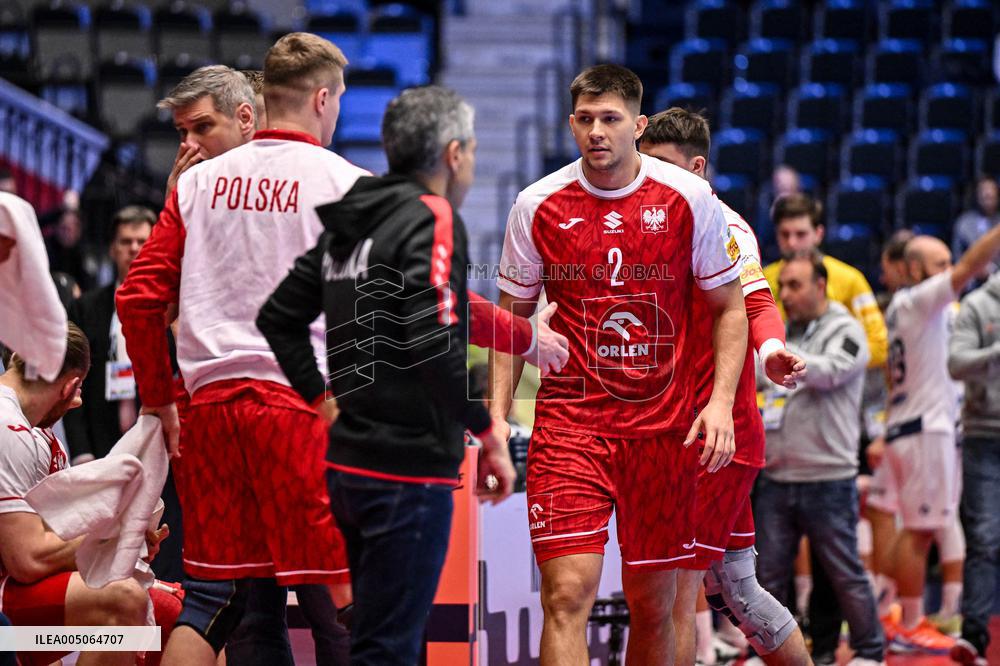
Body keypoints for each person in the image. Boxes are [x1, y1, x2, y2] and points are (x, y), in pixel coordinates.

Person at [489, 64, 749, 665]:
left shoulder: (689, 198)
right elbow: (509, 318)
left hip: (661, 435)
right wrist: (495, 418)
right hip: (570, 429)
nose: (596, 132)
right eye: (585, 120)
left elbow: (729, 309)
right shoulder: (538, 204)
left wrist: (719, 404)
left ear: (640, 123)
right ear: (571, 124)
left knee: (654, 606)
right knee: (566, 595)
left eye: (610, 119)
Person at [258, 84, 517, 666]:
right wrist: (487, 429)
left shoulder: (354, 217)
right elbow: (431, 338)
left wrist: (323, 398)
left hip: (347, 468)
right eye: (471, 151)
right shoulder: (432, 214)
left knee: (372, 643)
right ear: (454, 154)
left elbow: (278, 318)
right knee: (389, 650)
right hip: (405, 472)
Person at [637, 108, 810, 666]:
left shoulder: (725, 226)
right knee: (734, 591)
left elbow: (757, 302)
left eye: (664, 167)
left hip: (716, 439)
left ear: (698, 167)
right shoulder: (644, 225)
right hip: (674, 435)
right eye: (646, 165)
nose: (653, 178)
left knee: (680, 593)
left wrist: (771, 349)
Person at [0, 323, 175, 666]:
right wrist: (117, 538)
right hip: (7, 630)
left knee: (181, 617)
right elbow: (29, 560)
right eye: (79, 390)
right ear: (70, 387)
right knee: (125, 603)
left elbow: (52, 546)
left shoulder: (36, 436)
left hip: (17, 621)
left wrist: (125, 546)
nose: (79, 401)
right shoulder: (9, 429)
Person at [866, 224, 1000, 654]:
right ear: (913, 270)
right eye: (938, 264)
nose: (949, 271)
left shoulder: (912, 308)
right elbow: (969, 267)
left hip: (910, 427)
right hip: (927, 429)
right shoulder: (920, 300)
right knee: (921, 531)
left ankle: (891, 614)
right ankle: (908, 622)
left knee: (919, 527)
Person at [756, 250, 885, 665]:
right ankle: (768, 652)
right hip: (777, 474)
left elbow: (833, 370)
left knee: (845, 574)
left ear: (821, 286)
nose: (785, 294)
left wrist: (781, 360)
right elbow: (757, 373)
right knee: (768, 578)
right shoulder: (781, 331)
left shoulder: (847, 328)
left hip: (829, 476)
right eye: (783, 286)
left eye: (794, 285)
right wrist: (774, 357)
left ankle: (870, 651)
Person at [63, 206, 155, 464]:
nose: (134, 248)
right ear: (113, 249)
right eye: (126, 241)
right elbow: (70, 380)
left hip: (155, 443)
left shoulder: (172, 309)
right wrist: (81, 450)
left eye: (142, 242)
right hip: (99, 444)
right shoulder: (85, 308)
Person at [763, 193, 888, 369]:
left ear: (818, 234)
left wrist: (829, 365)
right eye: (785, 234)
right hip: (772, 389)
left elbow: (879, 344)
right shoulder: (762, 278)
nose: (792, 243)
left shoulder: (850, 279)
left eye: (801, 234)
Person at [948, 271, 1000, 666]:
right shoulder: (980, 304)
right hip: (986, 434)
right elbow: (956, 363)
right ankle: (974, 637)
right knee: (983, 538)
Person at [952, 176, 1000, 272]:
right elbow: (957, 257)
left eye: (991, 190)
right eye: (984, 190)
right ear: (976, 195)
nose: (988, 194)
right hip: (970, 278)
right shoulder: (964, 223)